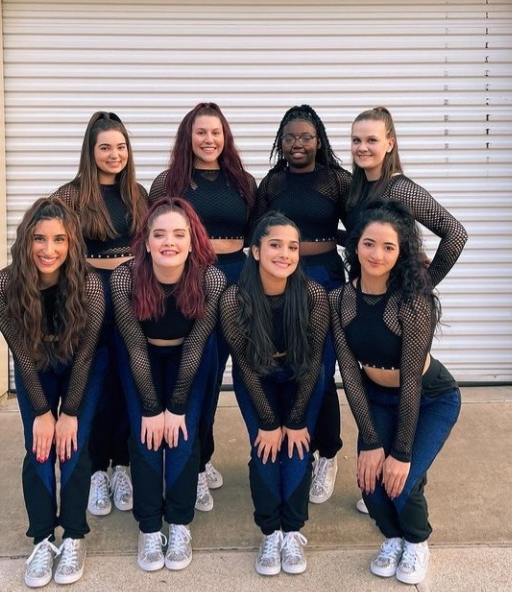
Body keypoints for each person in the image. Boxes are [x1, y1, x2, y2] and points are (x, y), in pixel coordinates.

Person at [329, 199, 461, 585]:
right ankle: (393, 538)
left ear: (400, 252)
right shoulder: (339, 299)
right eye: (369, 243)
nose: (377, 254)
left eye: (389, 247)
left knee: (400, 482)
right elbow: (350, 374)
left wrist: (400, 454)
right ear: (356, 245)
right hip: (377, 398)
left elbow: (411, 383)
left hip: (430, 398)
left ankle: (417, 541)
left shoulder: (412, 301)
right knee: (370, 484)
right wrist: (370, 441)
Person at [0, 197, 106, 587]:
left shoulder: (90, 283)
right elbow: (20, 354)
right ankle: (41, 539)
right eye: (39, 239)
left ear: (71, 243)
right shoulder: (3, 286)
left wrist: (68, 413)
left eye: (59, 239)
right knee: (38, 447)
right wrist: (42, 412)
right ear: (26, 241)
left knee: (72, 445)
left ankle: (73, 536)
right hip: (36, 366)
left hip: (81, 367)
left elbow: (87, 354)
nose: (49, 249)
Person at [149, 102, 257, 512]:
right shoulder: (169, 182)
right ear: (188, 137)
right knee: (201, 377)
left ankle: (203, 455)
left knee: (236, 371)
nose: (209, 140)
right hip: (194, 281)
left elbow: (259, 234)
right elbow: (154, 238)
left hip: (238, 279)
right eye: (200, 133)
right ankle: (193, 466)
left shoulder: (243, 181)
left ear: (225, 136)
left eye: (215, 132)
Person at [110, 197, 226, 572]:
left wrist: (174, 407)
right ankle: (148, 528)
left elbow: (196, 342)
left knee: (182, 437)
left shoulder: (211, 278)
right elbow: (132, 343)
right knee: (146, 438)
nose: (169, 242)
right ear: (146, 242)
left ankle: (178, 524)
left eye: (179, 234)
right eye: (159, 235)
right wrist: (150, 408)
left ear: (193, 240)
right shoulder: (124, 277)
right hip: (141, 356)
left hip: (188, 359)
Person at [51, 111, 149, 518]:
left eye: (121, 146)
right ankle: (94, 472)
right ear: (91, 151)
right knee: (92, 384)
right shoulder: (70, 196)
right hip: (89, 300)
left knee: (126, 384)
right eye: (105, 147)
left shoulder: (137, 193)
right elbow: (57, 254)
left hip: (131, 297)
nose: (114, 154)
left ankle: (122, 467)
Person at [220, 213, 329, 576]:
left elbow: (314, 361)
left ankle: (293, 531)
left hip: (301, 375)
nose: (285, 254)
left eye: (293, 247)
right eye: (275, 245)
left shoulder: (312, 293)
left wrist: (295, 420)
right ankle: (270, 531)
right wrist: (269, 422)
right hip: (257, 376)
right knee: (265, 448)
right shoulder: (235, 298)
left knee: (297, 447)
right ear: (255, 251)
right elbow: (244, 365)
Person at [255, 104, 351, 506]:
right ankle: (297, 444)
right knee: (291, 368)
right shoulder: (274, 183)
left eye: (305, 137)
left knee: (322, 370)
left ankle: (325, 453)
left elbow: (360, 227)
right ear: (282, 141)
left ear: (319, 140)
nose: (298, 144)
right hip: (282, 281)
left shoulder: (337, 181)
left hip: (325, 278)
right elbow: (257, 233)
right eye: (290, 137)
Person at [344, 106, 468, 287]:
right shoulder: (358, 189)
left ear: (389, 144)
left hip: (397, 297)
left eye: (371, 140)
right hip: (366, 292)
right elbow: (358, 238)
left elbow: (456, 234)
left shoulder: (400, 189)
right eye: (356, 140)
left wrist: (426, 284)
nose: (362, 148)